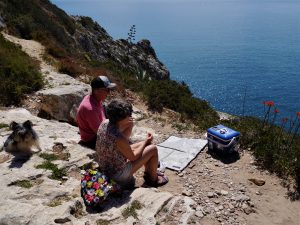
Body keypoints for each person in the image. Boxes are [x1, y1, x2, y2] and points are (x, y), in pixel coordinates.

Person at [95, 99, 169, 189]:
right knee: (152, 148)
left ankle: (150, 172)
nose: (131, 116)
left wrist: (130, 125)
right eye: (129, 115)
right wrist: (146, 141)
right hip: (117, 174)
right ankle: (153, 179)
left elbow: (123, 142)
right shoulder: (118, 138)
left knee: (145, 145)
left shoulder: (105, 123)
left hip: (106, 165)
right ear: (121, 119)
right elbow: (133, 157)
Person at [76, 75, 116, 149]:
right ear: (97, 91)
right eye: (107, 90)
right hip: (92, 140)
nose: (109, 93)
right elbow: (100, 133)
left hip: (100, 130)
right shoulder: (90, 108)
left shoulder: (96, 99)